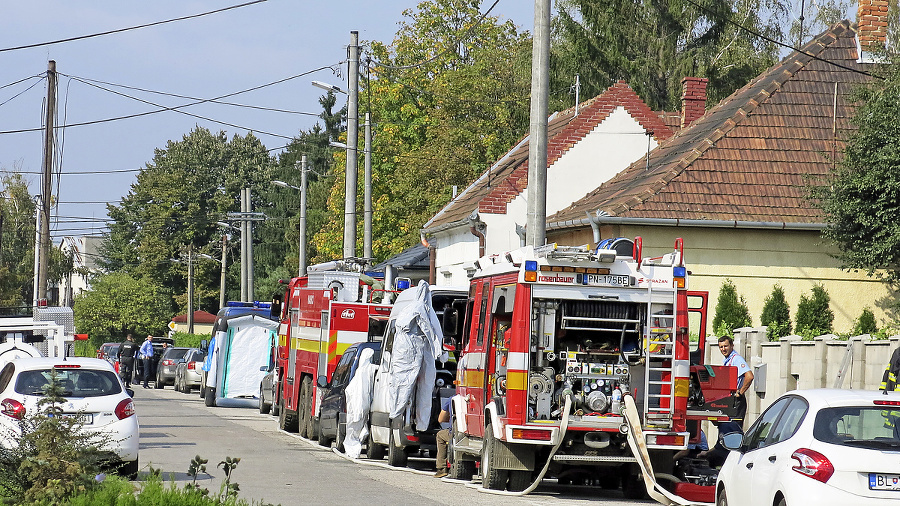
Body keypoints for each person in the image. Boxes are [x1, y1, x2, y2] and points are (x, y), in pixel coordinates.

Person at [718, 335, 753, 428]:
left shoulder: (737, 359)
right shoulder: (728, 359)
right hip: (730, 400)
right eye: (721, 347)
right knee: (726, 428)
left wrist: (740, 393)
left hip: (736, 400)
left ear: (732, 346)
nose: (723, 349)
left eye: (726, 346)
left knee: (734, 429)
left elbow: (749, 376)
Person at [434, 397, 451, 478]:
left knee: (440, 435)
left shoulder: (451, 399)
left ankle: (442, 468)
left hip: (456, 434)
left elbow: (441, 419)